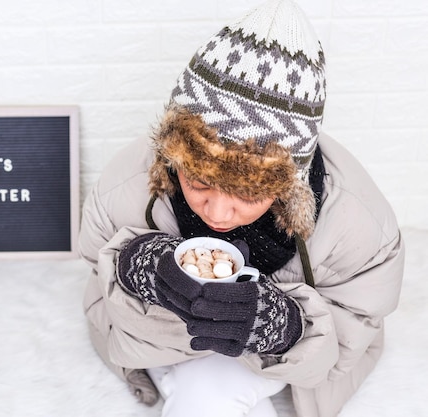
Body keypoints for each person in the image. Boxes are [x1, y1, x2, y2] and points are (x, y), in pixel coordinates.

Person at [78, 0, 405, 416]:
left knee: (210, 393)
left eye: (248, 194)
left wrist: (286, 328)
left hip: (277, 361)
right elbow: (96, 281)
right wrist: (136, 267)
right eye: (197, 182)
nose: (216, 214)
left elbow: (352, 333)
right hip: (161, 339)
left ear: (289, 187)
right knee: (202, 389)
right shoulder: (128, 182)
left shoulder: (358, 223)